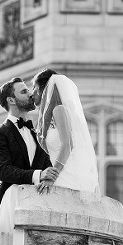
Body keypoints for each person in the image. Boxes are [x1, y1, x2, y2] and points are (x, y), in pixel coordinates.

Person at [0, 77, 56, 232]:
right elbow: (3, 170)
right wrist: (39, 174)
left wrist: (50, 177)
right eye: (24, 92)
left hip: (38, 202)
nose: (31, 94)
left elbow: (47, 164)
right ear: (11, 100)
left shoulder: (37, 133)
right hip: (10, 201)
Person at [30, 68, 100, 196]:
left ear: (43, 89)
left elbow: (67, 145)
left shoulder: (59, 109)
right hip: (57, 172)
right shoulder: (47, 118)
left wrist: (51, 176)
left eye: (34, 87)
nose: (31, 93)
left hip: (64, 175)